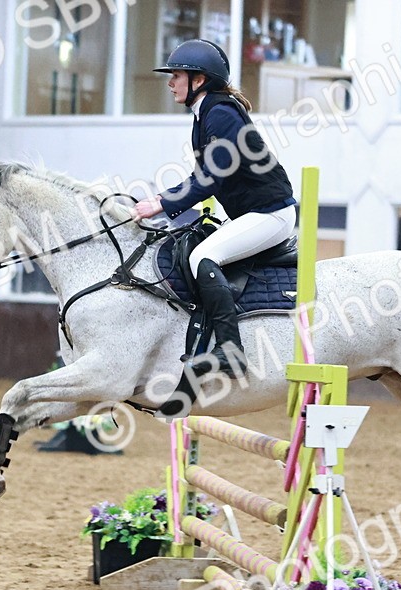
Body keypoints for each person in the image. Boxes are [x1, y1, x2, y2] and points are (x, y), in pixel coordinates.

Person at [132, 39, 297, 377]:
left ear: (199, 80)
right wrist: (164, 199)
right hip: (254, 214)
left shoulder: (220, 114)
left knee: (202, 257)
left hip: (270, 214)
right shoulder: (206, 113)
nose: (170, 83)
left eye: (176, 76)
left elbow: (212, 176)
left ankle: (231, 351)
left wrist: (162, 203)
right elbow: (203, 175)